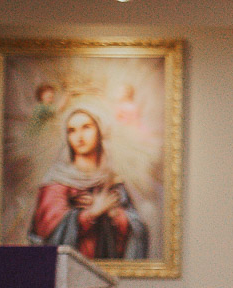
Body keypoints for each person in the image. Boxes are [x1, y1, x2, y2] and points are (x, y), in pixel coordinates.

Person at [29, 105, 148, 259]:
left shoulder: (113, 181)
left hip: (109, 269)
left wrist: (115, 215)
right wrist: (91, 214)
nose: (79, 136)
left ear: (99, 131)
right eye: (72, 130)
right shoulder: (56, 182)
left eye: (86, 127)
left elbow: (139, 231)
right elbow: (47, 232)